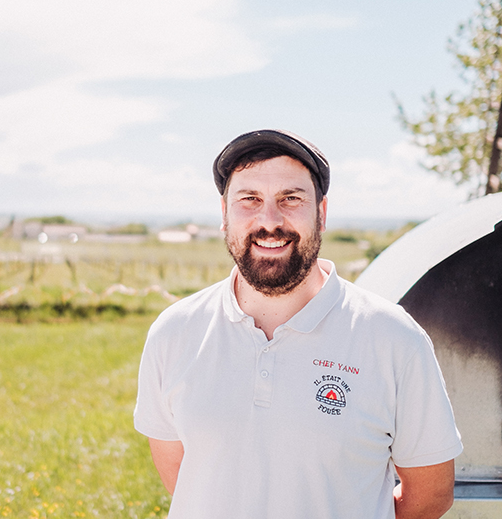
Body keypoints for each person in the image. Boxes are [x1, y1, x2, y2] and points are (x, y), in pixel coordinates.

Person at [133, 129, 462, 519]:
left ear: (321, 213)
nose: (269, 221)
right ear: (224, 215)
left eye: (291, 198)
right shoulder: (174, 333)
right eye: (249, 199)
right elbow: (187, 480)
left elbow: (430, 495)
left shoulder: (394, 339)